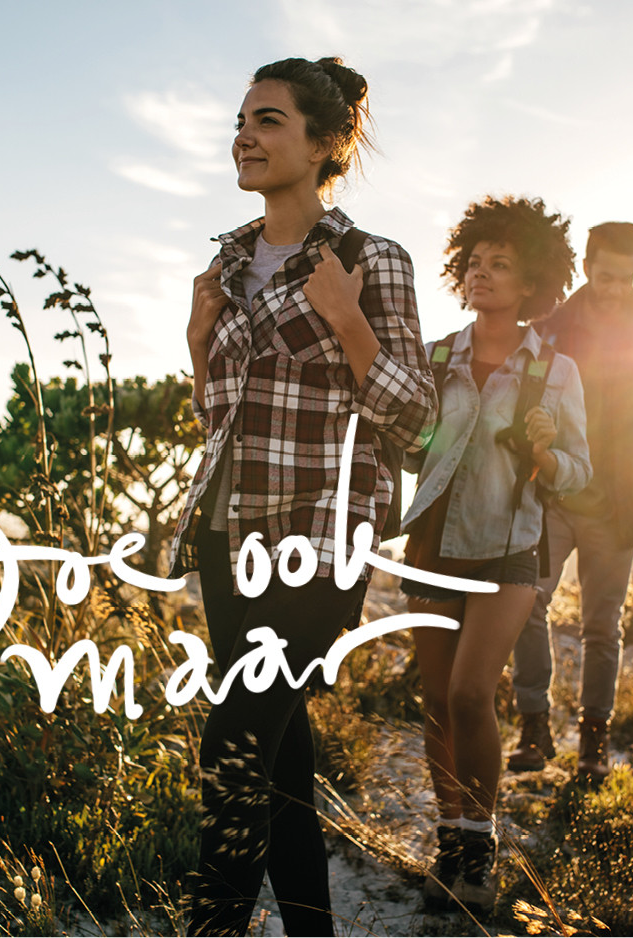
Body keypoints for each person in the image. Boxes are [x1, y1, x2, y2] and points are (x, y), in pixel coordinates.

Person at [170, 56, 435, 936]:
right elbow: (221, 416)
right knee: (278, 756)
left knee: (235, 741)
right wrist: (198, 344)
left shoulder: (369, 259)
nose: (244, 134)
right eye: (242, 118)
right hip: (227, 532)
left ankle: (212, 927)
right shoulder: (228, 262)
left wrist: (349, 321)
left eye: (270, 119)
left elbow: (417, 417)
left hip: (320, 545)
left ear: (326, 144)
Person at [400, 196, 590, 913]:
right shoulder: (437, 356)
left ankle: (478, 856)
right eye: (475, 263)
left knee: (471, 693)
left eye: (500, 265)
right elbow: (412, 445)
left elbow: (581, 470)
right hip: (431, 545)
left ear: (532, 283)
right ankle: (448, 845)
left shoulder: (557, 372)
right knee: (434, 700)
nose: (482, 274)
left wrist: (546, 453)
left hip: (510, 548)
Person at [506, 221, 633, 780]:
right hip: (551, 491)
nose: (613, 286)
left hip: (623, 503)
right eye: (604, 274)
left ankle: (593, 744)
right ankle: (533, 726)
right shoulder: (551, 327)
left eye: (624, 277)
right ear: (588, 266)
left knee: (602, 626)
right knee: (526, 603)